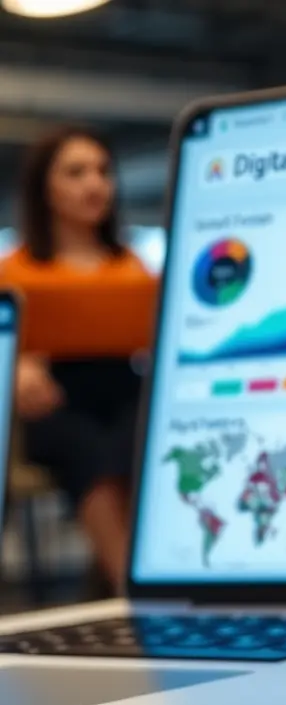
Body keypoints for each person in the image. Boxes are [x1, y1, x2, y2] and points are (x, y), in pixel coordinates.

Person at [0, 127, 158, 593]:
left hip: (126, 387)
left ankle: (117, 578)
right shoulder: (14, 270)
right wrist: (19, 367)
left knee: (149, 442)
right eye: (76, 172)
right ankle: (131, 591)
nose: (94, 184)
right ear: (44, 188)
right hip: (55, 398)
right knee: (92, 450)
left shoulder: (133, 266)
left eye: (102, 172)